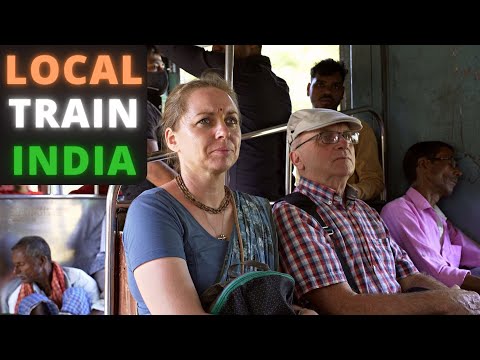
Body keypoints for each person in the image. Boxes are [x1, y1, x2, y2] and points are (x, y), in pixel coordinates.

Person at [122, 74, 313, 315]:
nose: (224, 131)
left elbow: (265, 302)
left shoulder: (256, 210)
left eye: (231, 120)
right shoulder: (152, 211)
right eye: (205, 121)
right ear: (172, 139)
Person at [272, 108, 480, 314]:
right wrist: (444, 301)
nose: (344, 143)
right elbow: (343, 306)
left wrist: (456, 300)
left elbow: (410, 276)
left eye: (348, 136)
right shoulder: (294, 213)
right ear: (296, 158)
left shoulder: (365, 211)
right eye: (327, 137)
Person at [156, 45, 291, 201]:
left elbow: (174, 49)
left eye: (231, 121)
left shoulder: (236, 71)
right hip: (279, 190)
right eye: (206, 121)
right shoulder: (278, 85)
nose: (216, 47)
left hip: (243, 198)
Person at [381, 141, 480, 294]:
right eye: (450, 162)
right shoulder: (399, 210)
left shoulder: (440, 219)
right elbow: (434, 274)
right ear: (424, 164)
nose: (458, 172)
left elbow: (476, 254)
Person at [305, 59, 384, 201]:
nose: (327, 91)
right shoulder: (298, 132)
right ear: (308, 89)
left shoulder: (359, 131)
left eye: (335, 86)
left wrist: (348, 194)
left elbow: (374, 181)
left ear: (342, 93)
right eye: (321, 85)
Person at [120, 45, 176, 201]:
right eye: (155, 66)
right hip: (149, 201)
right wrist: (192, 197)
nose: (161, 72)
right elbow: (149, 165)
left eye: (162, 67)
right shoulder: (138, 107)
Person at [5, 235, 103, 315]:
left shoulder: (78, 279)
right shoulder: (16, 297)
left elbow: (101, 308)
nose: (16, 272)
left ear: (41, 261)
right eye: (15, 266)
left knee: (76, 293)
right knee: (31, 302)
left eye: (21, 265)